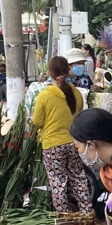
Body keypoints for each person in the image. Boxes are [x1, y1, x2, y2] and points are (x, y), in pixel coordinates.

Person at [32, 56, 93, 215]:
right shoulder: (76, 94)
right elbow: (79, 115)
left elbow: (37, 121)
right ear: (68, 71)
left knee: (58, 183)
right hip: (74, 143)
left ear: (50, 73)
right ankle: (87, 213)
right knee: (79, 179)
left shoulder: (44, 95)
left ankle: (65, 218)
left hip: (52, 146)